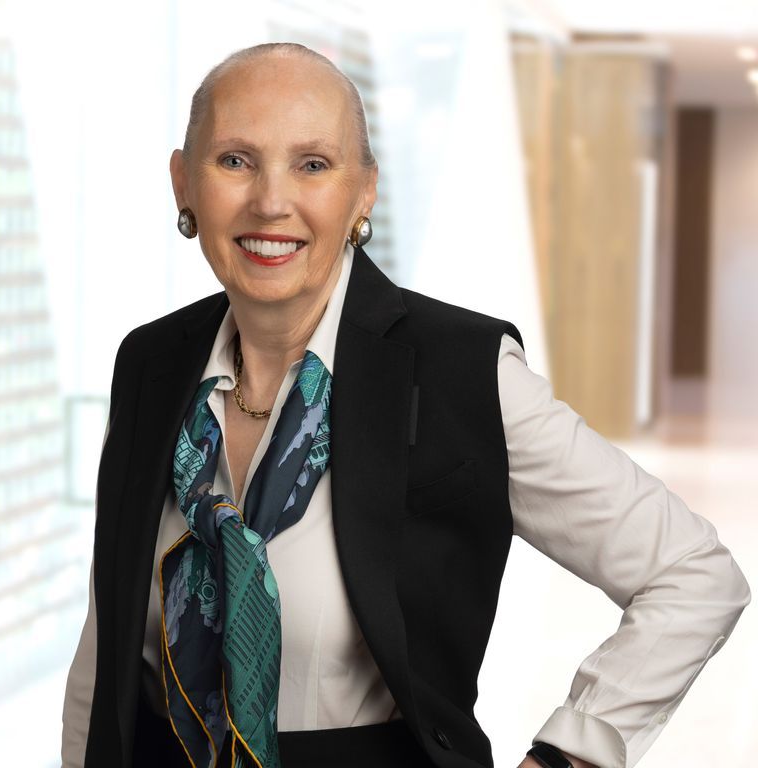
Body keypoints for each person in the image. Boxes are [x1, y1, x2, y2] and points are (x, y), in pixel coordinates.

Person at [61, 42, 750, 768]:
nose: (270, 201)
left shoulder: (460, 372)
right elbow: (107, 648)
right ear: (183, 182)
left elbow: (693, 573)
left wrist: (565, 755)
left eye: (313, 164)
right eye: (235, 160)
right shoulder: (151, 363)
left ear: (364, 192)